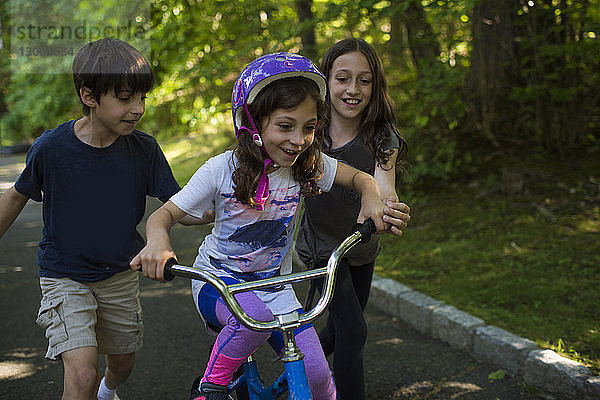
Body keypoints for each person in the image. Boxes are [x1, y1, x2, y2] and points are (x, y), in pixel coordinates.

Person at [130, 52, 389, 400]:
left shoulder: (306, 164)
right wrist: (158, 243)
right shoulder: (219, 170)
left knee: (318, 376)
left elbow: (358, 178)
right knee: (250, 320)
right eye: (285, 126)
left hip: (276, 286)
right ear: (251, 123)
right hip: (221, 284)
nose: (298, 139)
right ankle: (212, 387)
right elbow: (162, 216)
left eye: (309, 128)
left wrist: (371, 195)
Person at [0, 38, 189, 400]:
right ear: (89, 96)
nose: (138, 108)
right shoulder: (51, 149)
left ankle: (109, 391)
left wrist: (220, 207)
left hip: (118, 275)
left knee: (122, 364)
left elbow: (179, 205)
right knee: (82, 373)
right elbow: (14, 197)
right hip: (63, 274)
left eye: (142, 98)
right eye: (125, 98)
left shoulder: (144, 149)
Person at [295, 38, 411, 400]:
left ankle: (293, 377)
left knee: (338, 332)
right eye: (342, 78)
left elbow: (384, 184)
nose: (353, 89)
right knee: (355, 332)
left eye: (364, 80)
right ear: (326, 81)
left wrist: (389, 208)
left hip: (361, 247)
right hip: (321, 250)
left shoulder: (381, 134)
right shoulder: (310, 132)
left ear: (375, 86)